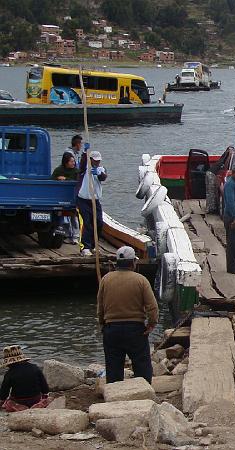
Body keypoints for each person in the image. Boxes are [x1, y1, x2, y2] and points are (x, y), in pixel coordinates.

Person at [97, 246, 159, 384]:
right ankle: (143, 393)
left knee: (113, 366)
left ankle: (115, 396)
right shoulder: (141, 280)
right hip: (135, 329)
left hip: (112, 329)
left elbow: (100, 307)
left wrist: (102, 324)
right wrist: (151, 324)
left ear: (117, 262)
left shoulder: (106, 279)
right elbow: (152, 307)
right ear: (132, 263)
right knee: (142, 364)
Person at [1, 345, 51, 412]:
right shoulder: (35, 368)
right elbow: (45, 388)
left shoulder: (9, 374)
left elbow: (4, 393)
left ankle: (19, 407)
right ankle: (38, 404)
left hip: (19, 400)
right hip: (36, 398)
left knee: (8, 403)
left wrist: (2, 401)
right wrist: (44, 396)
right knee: (42, 398)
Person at [77, 150, 107, 256]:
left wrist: (98, 172)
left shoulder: (101, 169)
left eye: (98, 161)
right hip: (83, 200)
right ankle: (85, 247)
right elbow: (82, 163)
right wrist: (85, 153)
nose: (97, 163)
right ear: (91, 160)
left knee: (99, 223)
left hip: (95, 200)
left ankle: (94, 245)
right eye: (95, 161)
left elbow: (103, 177)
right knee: (87, 223)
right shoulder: (84, 169)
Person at [52, 152, 80, 245]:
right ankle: (67, 235)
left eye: (74, 161)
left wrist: (66, 179)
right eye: (71, 161)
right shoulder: (58, 170)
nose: (73, 163)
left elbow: (78, 182)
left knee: (74, 217)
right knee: (64, 217)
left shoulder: (76, 171)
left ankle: (76, 236)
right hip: (61, 197)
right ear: (66, 162)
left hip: (73, 197)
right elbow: (52, 180)